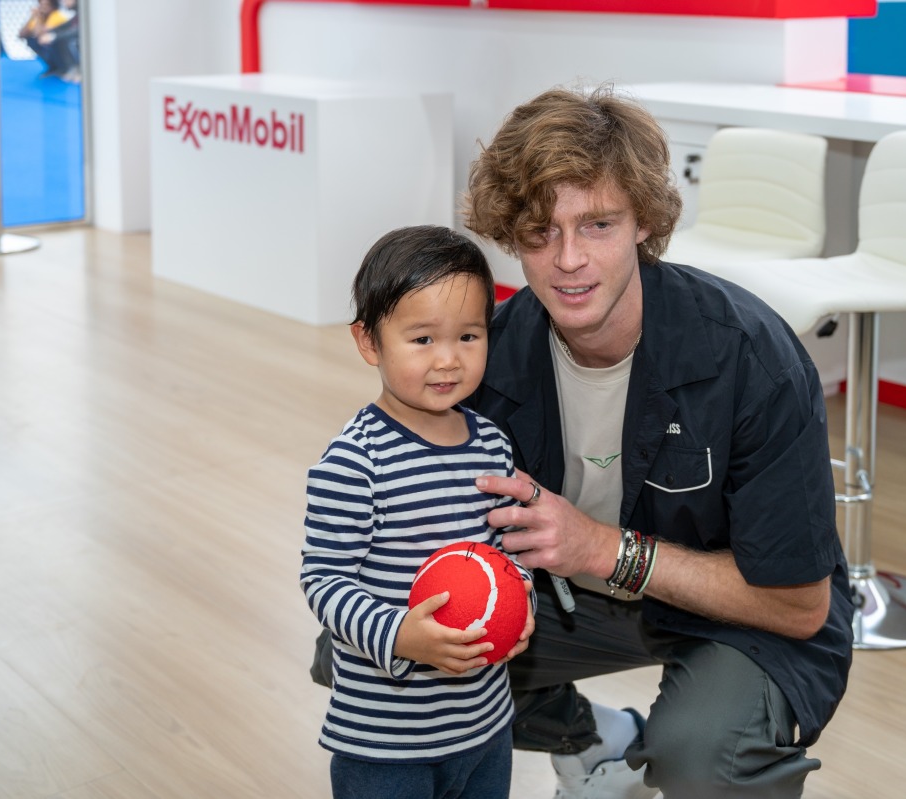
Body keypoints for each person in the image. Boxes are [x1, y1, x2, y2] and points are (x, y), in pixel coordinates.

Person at [463, 85, 854, 798]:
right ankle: (591, 740)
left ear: (643, 220)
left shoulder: (751, 358)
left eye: (597, 224)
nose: (568, 259)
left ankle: (681, 741)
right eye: (541, 231)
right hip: (572, 603)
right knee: (382, 652)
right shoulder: (487, 359)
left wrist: (602, 549)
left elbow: (800, 605)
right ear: (510, 235)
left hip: (737, 607)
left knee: (701, 757)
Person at [300, 225, 536, 799]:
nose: (448, 359)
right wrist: (398, 634)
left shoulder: (493, 444)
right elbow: (323, 580)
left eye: (469, 336)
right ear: (369, 342)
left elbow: (509, 554)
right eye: (423, 339)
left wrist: (521, 602)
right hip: (385, 743)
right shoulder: (355, 461)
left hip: (484, 726)